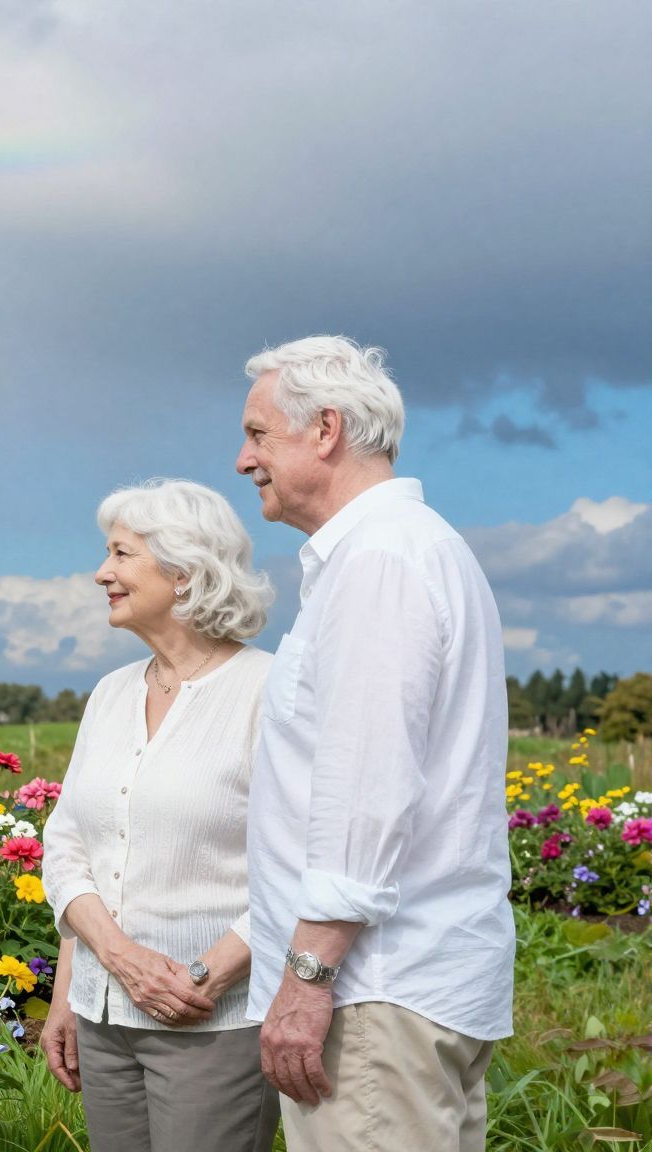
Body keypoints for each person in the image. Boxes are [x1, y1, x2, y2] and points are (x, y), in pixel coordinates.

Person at [236, 336, 513, 1152]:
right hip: (404, 989)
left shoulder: (381, 560)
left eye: (257, 433)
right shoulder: (405, 550)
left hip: (371, 995)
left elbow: (366, 786)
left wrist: (308, 979)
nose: (242, 458)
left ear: (325, 429)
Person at [41, 478, 279, 1151]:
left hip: (212, 1022)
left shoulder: (270, 689)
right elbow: (71, 850)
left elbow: (300, 861)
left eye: (121, 555)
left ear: (184, 570)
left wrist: (201, 977)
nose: (100, 573)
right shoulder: (111, 694)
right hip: (102, 1018)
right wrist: (81, 984)